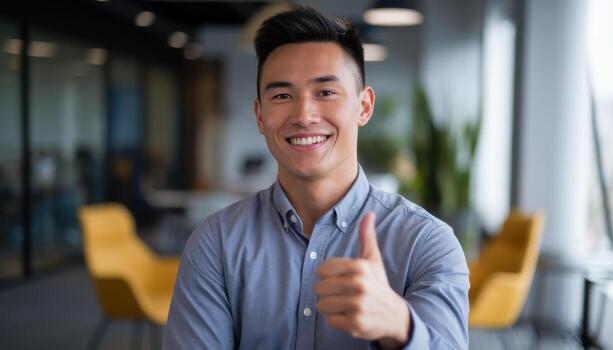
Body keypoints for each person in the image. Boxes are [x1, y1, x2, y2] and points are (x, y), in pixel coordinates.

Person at [164, 6, 469, 350]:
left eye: (325, 92)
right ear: (260, 115)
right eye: (282, 95)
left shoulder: (426, 244)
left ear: (364, 107)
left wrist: (401, 329)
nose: (304, 115)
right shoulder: (217, 243)